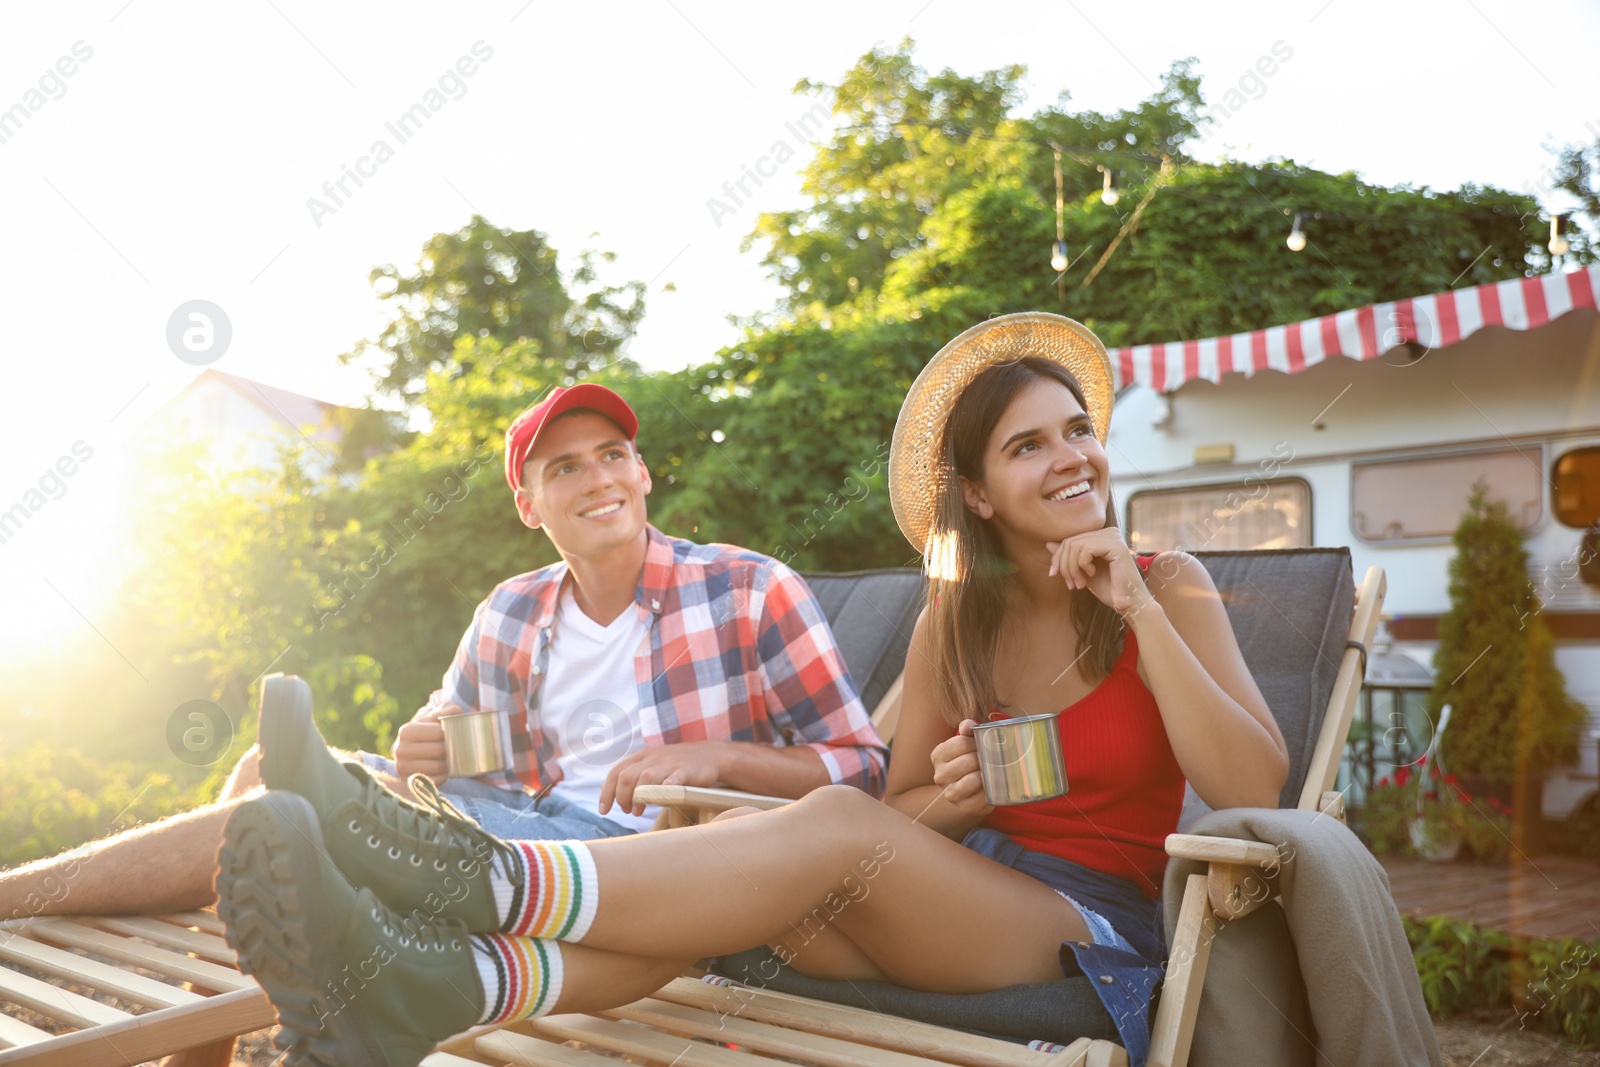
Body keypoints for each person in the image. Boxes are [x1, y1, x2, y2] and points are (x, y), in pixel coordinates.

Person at [215, 313, 1289, 1067]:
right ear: (976, 490)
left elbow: (1257, 785)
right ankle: (443, 988)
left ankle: (483, 878)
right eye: (1027, 444)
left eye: (1077, 431)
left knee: (811, 825)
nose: (1069, 457)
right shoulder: (950, 627)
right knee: (715, 897)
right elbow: (900, 811)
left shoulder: (1168, 587)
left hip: (1087, 929)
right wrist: (956, 802)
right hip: (950, 896)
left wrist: (1136, 614)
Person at [0, 383, 884, 1066]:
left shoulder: (749, 588)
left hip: (647, 875)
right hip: (501, 834)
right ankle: (197, 1034)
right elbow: (456, 743)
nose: (598, 478)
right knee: (269, 778)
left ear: (643, 473)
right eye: (564, 467)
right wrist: (422, 743)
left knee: (283, 811)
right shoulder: (510, 609)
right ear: (529, 506)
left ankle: (17, 900)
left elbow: (860, 770)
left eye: (612, 454)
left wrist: (718, 756)